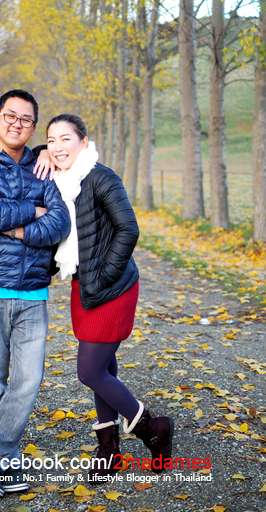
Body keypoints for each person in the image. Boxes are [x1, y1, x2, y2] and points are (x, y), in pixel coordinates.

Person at [33, 113, 174, 477]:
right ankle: (109, 450)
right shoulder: (60, 181)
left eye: (66, 139)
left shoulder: (100, 177)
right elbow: (35, 160)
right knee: (104, 367)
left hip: (112, 287)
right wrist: (41, 151)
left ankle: (153, 428)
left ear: (84, 141)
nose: (57, 146)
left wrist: (104, 275)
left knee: (90, 371)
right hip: (83, 286)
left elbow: (129, 229)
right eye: (51, 140)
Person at [0, 90, 71, 497]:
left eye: (26, 119)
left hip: (32, 292)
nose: (17, 124)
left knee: (27, 380)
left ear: (33, 127)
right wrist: (32, 211)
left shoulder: (45, 169)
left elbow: (58, 225)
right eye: (10, 116)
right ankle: (2, 463)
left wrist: (11, 225)